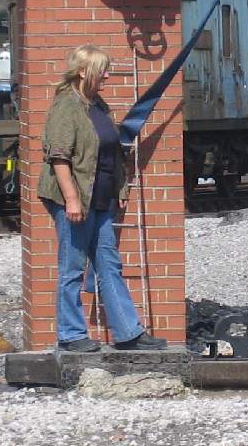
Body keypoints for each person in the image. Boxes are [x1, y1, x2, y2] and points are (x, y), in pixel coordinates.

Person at [37, 45, 167, 352]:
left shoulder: (97, 105)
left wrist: (118, 191)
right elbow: (59, 158)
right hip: (76, 200)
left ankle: (128, 333)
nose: (108, 74)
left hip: (101, 201)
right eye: (102, 69)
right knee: (72, 268)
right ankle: (70, 335)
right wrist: (71, 201)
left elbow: (110, 153)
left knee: (109, 264)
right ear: (83, 72)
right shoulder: (66, 107)